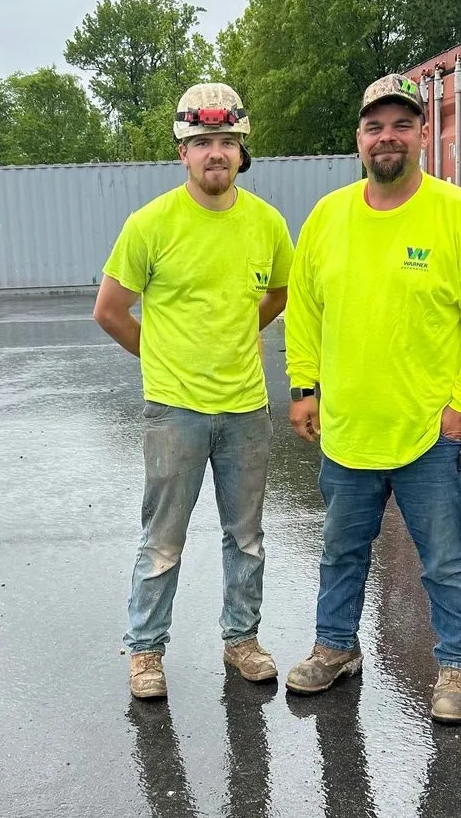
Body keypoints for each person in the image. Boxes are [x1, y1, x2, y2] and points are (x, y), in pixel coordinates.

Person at [283, 73, 461, 724]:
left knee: (444, 558)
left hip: (427, 434)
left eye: (400, 123)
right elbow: (304, 306)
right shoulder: (328, 217)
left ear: (421, 133)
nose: (387, 135)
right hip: (349, 427)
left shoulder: (460, 216)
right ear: (359, 138)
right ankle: (335, 647)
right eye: (374, 125)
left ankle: (458, 665)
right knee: (341, 551)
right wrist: (304, 386)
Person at [94, 82, 294, 700]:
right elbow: (110, 309)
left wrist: (234, 335)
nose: (215, 153)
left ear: (242, 151)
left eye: (226, 142)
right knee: (163, 541)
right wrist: (160, 356)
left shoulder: (266, 223)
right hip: (174, 411)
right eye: (202, 141)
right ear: (182, 152)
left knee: (247, 538)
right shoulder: (151, 224)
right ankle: (146, 653)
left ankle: (242, 641)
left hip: (245, 411)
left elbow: (279, 296)